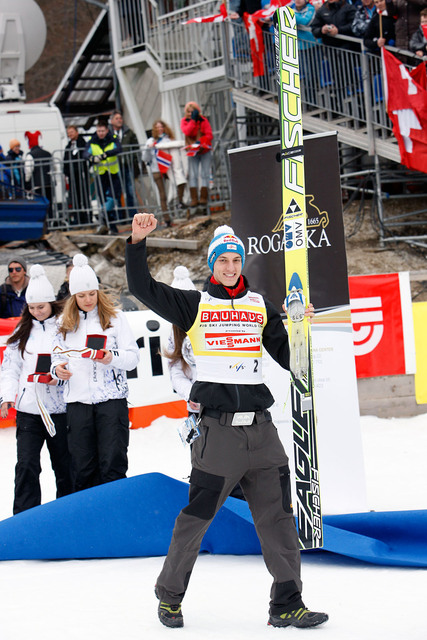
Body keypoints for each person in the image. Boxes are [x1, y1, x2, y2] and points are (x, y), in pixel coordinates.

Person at [126, 214, 328, 630]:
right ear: (213, 264)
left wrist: (301, 328)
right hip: (217, 433)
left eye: (236, 260)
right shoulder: (194, 304)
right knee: (196, 519)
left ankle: (287, 603)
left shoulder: (259, 307)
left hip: (261, 431)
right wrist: (136, 243)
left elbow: (293, 362)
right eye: (223, 261)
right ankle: (169, 595)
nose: (231, 267)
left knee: (277, 519)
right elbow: (142, 288)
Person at [51, 253, 139, 492]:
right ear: (73, 296)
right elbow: (55, 359)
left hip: (111, 401)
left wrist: (111, 357)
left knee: (113, 463)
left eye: (92, 293)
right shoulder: (63, 324)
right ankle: (89, 517)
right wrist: (58, 371)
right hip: (78, 403)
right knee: (82, 466)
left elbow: (132, 358)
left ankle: (116, 514)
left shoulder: (115, 318)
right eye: (81, 295)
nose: (88, 299)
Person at [0, 265, 73, 514]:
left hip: (59, 410)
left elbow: (73, 364)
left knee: (64, 465)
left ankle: (67, 512)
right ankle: (25, 515)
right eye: (31, 308)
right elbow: (10, 369)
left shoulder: (64, 329)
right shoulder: (22, 332)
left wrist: (59, 379)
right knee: (26, 465)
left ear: (51, 303)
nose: (36, 312)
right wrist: (7, 397)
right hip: (29, 410)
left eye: (41, 307)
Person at [164, 266, 199, 416]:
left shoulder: (209, 324)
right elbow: (176, 372)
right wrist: (191, 394)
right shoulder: (174, 334)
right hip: (196, 407)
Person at [144, 120, 187, 226]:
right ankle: (167, 218)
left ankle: (180, 201)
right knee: (162, 194)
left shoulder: (168, 139)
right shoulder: (150, 141)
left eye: (161, 127)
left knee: (180, 181)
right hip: (156, 169)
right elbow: (145, 158)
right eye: (157, 127)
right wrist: (149, 149)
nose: (159, 129)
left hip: (168, 168)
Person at [85, 119, 123, 235]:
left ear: (107, 130)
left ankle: (105, 219)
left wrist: (106, 155)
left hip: (113, 173)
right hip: (100, 174)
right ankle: (110, 225)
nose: (100, 133)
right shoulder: (93, 141)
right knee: (102, 199)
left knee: (112, 198)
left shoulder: (113, 138)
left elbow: (118, 148)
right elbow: (85, 153)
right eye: (98, 131)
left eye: (102, 131)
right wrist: (91, 158)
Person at [180, 102, 213, 213]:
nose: (190, 114)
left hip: (204, 150)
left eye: (192, 112)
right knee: (193, 174)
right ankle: (194, 198)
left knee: (205, 173)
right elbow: (187, 131)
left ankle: (203, 197)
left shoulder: (203, 120)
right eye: (188, 112)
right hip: (192, 151)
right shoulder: (184, 121)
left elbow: (209, 135)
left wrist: (201, 141)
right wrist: (193, 120)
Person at [109, 110, 139, 216]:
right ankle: (120, 216)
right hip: (114, 167)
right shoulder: (109, 134)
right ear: (111, 121)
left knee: (130, 190)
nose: (119, 120)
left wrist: (135, 161)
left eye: (120, 118)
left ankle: (132, 215)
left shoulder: (128, 132)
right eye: (116, 118)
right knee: (116, 192)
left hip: (127, 165)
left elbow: (135, 147)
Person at [63, 125, 90, 224]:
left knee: (85, 196)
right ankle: (78, 219)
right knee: (75, 197)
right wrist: (66, 171)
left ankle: (88, 217)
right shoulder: (68, 146)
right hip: (72, 176)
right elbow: (65, 160)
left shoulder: (83, 143)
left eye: (72, 132)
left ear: (77, 132)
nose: (70, 134)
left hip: (82, 174)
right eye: (68, 133)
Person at [24, 131, 53, 214]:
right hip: (48, 183)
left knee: (40, 205)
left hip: (37, 185)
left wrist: (27, 182)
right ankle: (51, 220)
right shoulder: (48, 153)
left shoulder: (30, 155)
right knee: (49, 203)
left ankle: (43, 223)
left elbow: (28, 170)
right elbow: (54, 167)